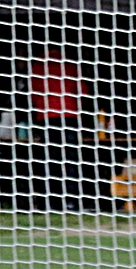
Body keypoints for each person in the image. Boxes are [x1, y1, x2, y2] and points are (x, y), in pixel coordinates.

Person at [30, 47, 87, 211]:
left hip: (47, 117)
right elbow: (83, 90)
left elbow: (34, 92)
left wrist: (40, 108)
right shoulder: (70, 65)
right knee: (70, 159)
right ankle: (72, 201)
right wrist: (77, 107)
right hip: (69, 115)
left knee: (50, 159)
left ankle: (50, 201)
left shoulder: (38, 66)